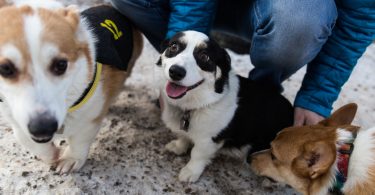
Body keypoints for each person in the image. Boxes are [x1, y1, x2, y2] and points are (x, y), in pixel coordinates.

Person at [110, 0, 375, 126]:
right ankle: (202, 66)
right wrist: (183, 64)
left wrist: (317, 96)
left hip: (283, 11)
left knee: (299, 19)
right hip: (203, 5)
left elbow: (360, 18)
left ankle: (259, 97)